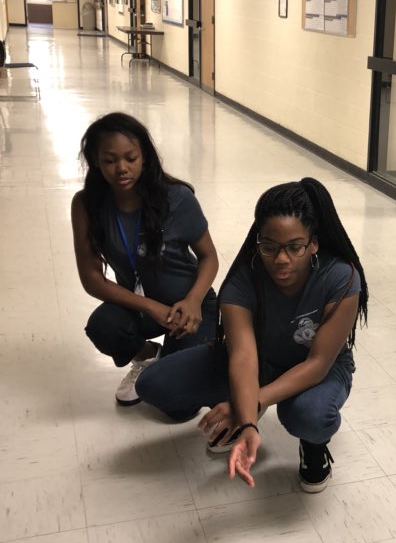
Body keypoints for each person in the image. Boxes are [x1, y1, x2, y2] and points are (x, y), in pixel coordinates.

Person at [136, 177, 368, 492]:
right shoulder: (242, 281)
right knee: (153, 384)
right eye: (269, 247)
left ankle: (313, 447)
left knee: (308, 415)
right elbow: (243, 356)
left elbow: (318, 363)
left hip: (316, 368)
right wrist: (249, 419)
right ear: (258, 241)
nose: (281, 259)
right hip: (259, 359)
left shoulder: (341, 277)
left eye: (294, 248)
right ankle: (238, 412)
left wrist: (251, 405)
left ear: (314, 243)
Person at [72, 112, 219, 406]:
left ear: (144, 158)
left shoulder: (176, 198)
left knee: (179, 407)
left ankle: (180, 357)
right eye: (110, 160)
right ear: (96, 161)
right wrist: (150, 307)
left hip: (189, 306)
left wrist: (193, 301)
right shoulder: (87, 205)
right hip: (141, 306)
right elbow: (92, 280)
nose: (121, 168)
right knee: (104, 325)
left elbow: (209, 258)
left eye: (131, 158)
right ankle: (147, 355)